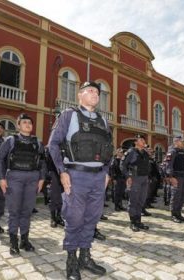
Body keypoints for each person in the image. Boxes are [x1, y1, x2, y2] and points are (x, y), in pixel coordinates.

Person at [48, 81, 113, 280]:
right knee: (74, 219)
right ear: (80, 95)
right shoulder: (69, 115)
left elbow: (109, 148)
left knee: (92, 219)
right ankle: (71, 261)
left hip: (98, 177)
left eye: (97, 92)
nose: (95, 94)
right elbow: (52, 144)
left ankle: (85, 256)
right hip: (76, 175)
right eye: (91, 91)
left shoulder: (103, 120)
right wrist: (62, 171)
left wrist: (107, 172)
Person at [0, 113, 46, 255]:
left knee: (27, 210)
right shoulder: (10, 140)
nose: (27, 124)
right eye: (24, 122)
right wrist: (1, 178)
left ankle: (24, 240)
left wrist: (41, 179)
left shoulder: (38, 142)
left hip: (32, 178)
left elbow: (42, 162)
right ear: (18, 125)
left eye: (29, 122)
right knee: (14, 211)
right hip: (14, 178)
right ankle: (13, 242)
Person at [120, 134, 151, 232]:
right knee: (133, 200)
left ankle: (138, 221)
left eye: (143, 139)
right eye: (141, 140)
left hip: (144, 179)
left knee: (141, 200)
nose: (143, 141)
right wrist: (128, 176)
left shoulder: (145, 153)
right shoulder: (131, 152)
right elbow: (122, 164)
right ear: (136, 142)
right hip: (135, 178)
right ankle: (133, 222)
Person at [166, 136, 184, 223]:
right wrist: (171, 177)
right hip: (176, 177)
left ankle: (179, 213)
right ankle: (174, 215)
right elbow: (169, 165)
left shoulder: (183, 152)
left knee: (182, 196)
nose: (183, 143)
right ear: (176, 142)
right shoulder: (172, 151)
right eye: (182, 141)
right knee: (176, 196)